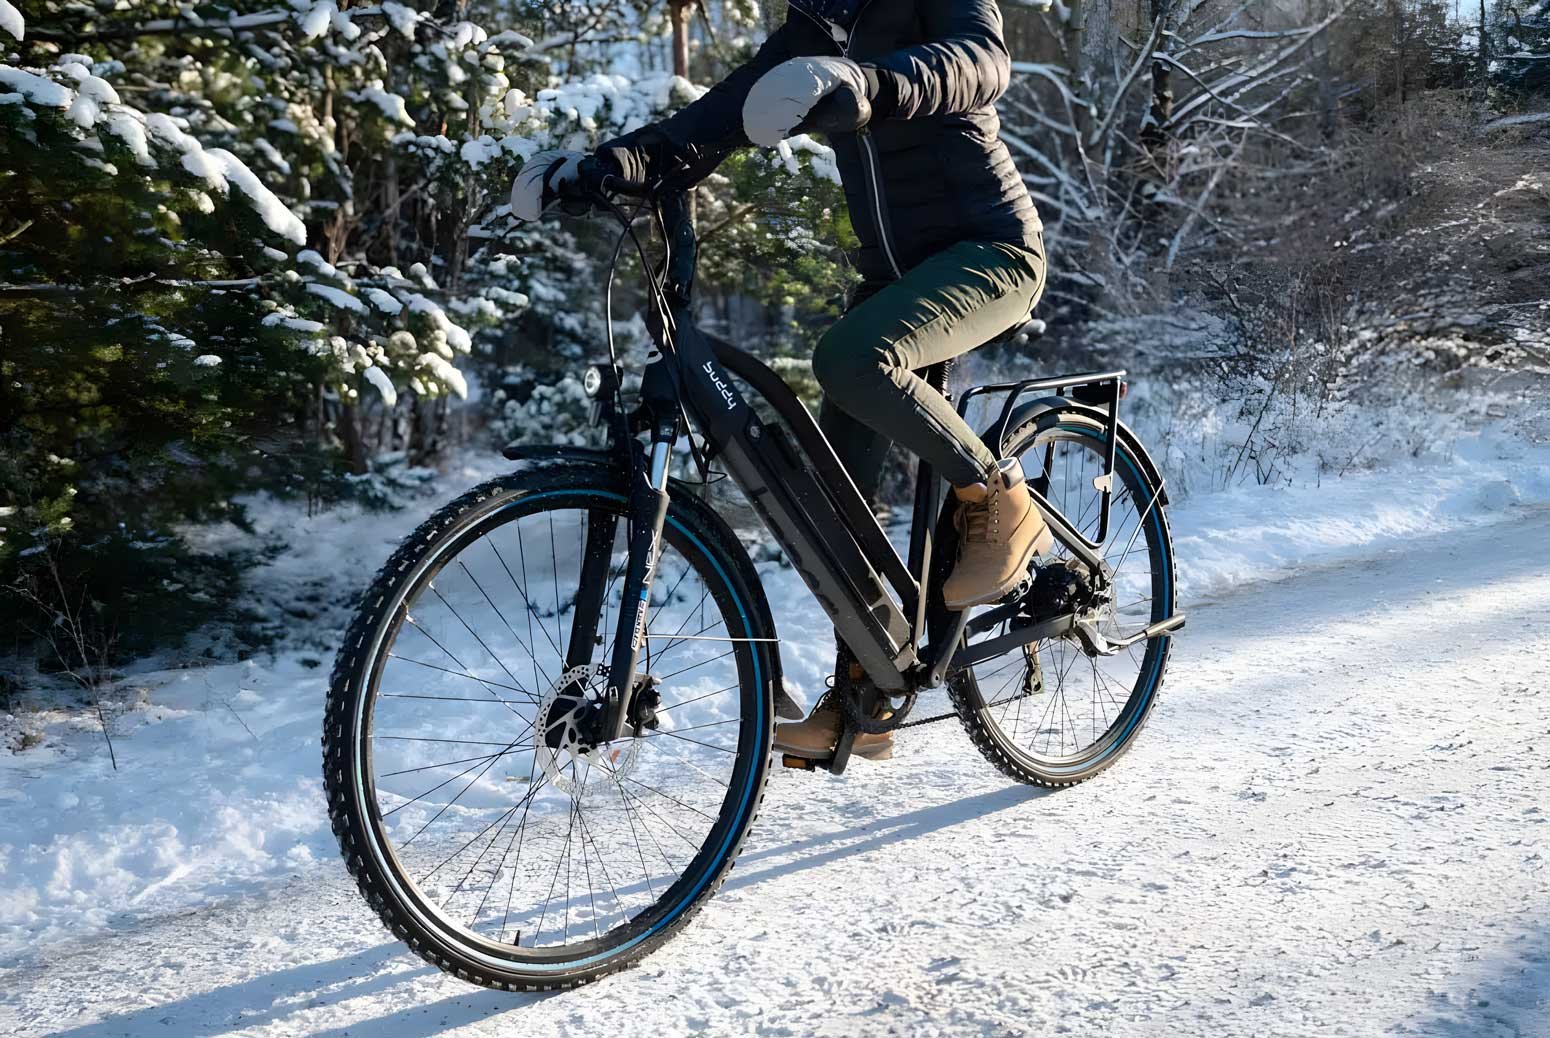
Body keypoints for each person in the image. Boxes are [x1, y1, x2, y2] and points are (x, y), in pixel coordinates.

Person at [511, 0, 1050, 762]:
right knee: (837, 501)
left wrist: (868, 83)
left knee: (849, 358)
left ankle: (996, 495)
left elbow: (982, 62)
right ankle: (864, 701)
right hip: (890, 282)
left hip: (991, 253)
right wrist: (609, 165)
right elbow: (718, 117)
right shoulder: (820, 25)